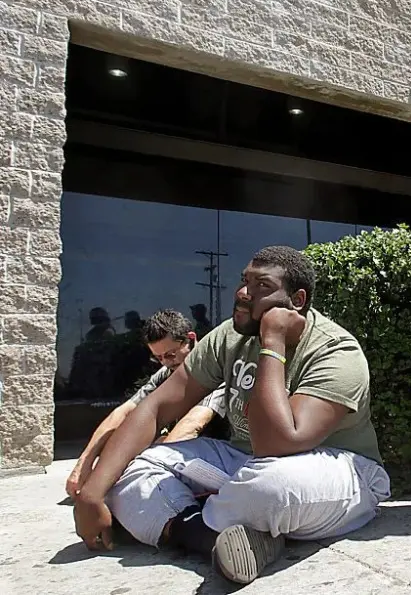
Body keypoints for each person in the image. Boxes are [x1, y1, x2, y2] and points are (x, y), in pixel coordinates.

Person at [72, 246, 389, 585]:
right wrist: (92, 494)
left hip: (340, 471)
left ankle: (179, 520)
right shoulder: (228, 336)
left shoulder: (336, 351)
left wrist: (273, 342)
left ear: (296, 301)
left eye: (261, 286)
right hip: (246, 461)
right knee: (135, 464)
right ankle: (219, 540)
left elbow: (278, 441)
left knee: (273, 488)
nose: (242, 293)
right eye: (244, 280)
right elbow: (155, 407)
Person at [65, 309, 228, 497]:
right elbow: (123, 413)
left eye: (171, 354)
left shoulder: (214, 373)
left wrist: (141, 464)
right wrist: (83, 465)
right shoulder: (167, 373)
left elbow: (192, 424)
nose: (165, 363)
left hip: (220, 461)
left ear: (190, 339)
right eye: (158, 358)